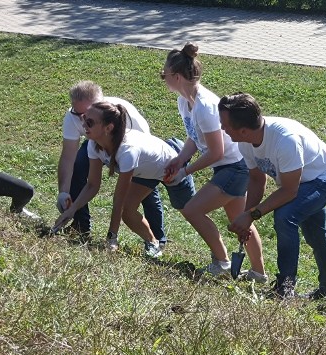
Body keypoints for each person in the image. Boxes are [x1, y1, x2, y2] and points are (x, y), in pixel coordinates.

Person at [222, 93, 326, 299]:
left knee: (285, 216)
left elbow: (289, 191)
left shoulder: (285, 140)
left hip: (325, 177)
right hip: (300, 181)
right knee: (315, 233)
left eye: (225, 125)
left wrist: (253, 215)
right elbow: (257, 180)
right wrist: (246, 218)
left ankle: (285, 287)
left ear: (242, 129)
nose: (222, 129)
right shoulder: (245, 140)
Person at [161, 43, 266, 280]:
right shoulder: (184, 102)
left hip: (235, 167)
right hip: (228, 166)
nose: (163, 79)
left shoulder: (205, 107)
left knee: (192, 210)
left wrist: (185, 171)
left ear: (176, 76)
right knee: (240, 221)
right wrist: (179, 160)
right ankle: (258, 273)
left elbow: (216, 152)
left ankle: (222, 262)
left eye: (163, 75)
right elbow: (194, 137)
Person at [53, 102, 195, 257]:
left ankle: (221, 260)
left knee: (194, 212)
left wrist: (112, 237)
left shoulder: (127, 151)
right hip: (144, 171)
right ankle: (153, 243)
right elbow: (92, 185)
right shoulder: (94, 145)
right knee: (128, 211)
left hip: (173, 166)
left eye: (90, 122)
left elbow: (118, 199)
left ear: (108, 128)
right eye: (84, 119)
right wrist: (72, 211)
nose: (83, 125)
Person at [56, 80, 166, 244]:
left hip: (137, 151)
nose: (82, 121)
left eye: (87, 116)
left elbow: (141, 160)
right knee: (78, 166)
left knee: (143, 190)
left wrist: (112, 236)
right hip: (97, 140)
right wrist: (64, 192)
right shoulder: (74, 118)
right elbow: (67, 158)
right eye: (77, 114)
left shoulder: (125, 118)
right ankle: (80, 225)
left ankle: (157, 239)